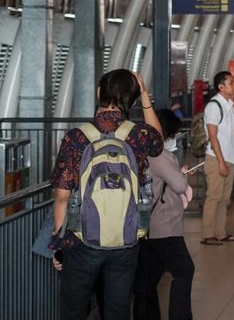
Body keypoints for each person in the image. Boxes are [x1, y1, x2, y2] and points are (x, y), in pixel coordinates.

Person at [50, 69, 163, 319]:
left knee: (73, 309)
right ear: (132, 100)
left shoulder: (76, 137)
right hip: (127, 239)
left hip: (81, 241)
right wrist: (146, 97)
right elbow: (159, 140)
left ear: (99, 92)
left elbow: (62, 197)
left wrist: (58, 246)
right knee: (118, 310)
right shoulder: (138, 136)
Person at [134, 109, 194, 320]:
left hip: (148, 226)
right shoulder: (159, 154)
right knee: (184, 270)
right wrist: (182, 176)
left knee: (147, 281)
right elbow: (178, 185)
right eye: (173, 134)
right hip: (164, 227)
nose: (174, 139)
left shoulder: (141, 151)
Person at [201, 71, 234, 246]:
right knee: (214, 197)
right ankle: (207, 234)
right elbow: (213, 137)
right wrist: (220, 162)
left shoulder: (228, 105)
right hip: (216, 158)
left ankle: (220, 232)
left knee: (224, 198)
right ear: (221, 87)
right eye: (231, 83)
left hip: (229, 157)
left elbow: (227, 133)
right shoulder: (214, 106)